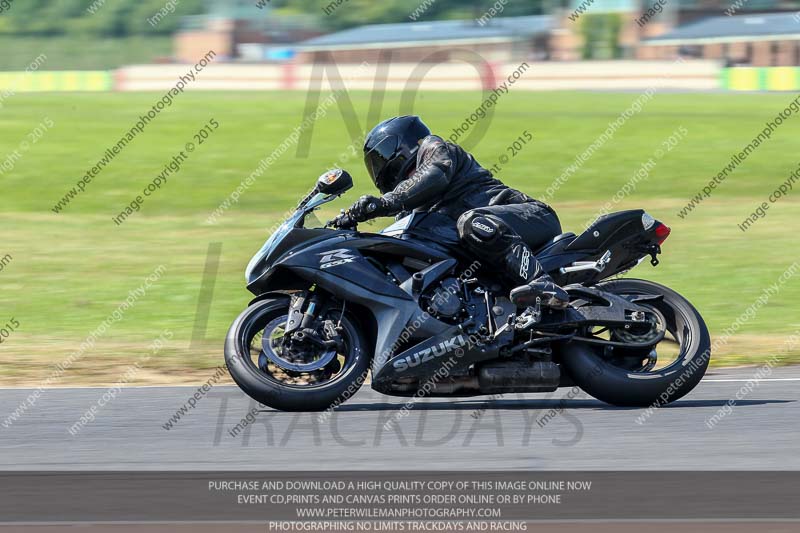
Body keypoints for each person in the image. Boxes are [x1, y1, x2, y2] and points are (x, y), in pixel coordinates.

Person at [342, 115, 568, 309]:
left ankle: (541, 282)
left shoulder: (437, 151)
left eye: (379, 159)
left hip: (533, 218)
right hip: (491, 252)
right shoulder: (414, 210)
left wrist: (384, 202)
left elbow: (433, 174)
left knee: (472, 221)